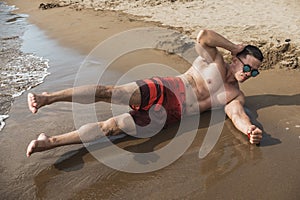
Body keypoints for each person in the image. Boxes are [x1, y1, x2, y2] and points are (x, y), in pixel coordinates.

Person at [26, 29, 263, 157]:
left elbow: (238, 115)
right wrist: (234, 45)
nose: (248, 73)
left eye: (254, 73)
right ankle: (48, 98)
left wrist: (249, 130)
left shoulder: (235, 94)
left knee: (111, 127)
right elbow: (203, 36)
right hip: (167, 88)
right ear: (236, 58)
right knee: (109, 92)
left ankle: (50, 142)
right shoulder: (215, 61)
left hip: (170, 116)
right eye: (247, 66)